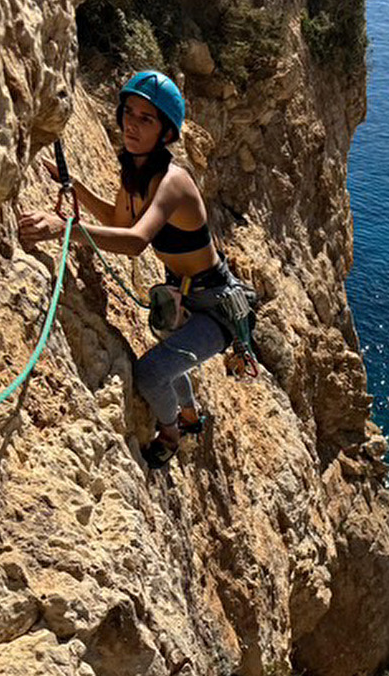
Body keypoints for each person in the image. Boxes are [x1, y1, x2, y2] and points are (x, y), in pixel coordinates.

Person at [19, 70, 250, 467]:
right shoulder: (135, 173)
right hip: (185, 294)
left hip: (215, 308)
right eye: (129, 112)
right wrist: (77, 189)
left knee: (151, 372)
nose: (132, 123)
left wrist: (65, 229)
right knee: (172, 358)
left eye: (147, 118)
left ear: (166, 133)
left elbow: (136, 241)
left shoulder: (173, 182)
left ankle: (173, 431)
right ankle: (191, 415)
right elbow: (119, 220)